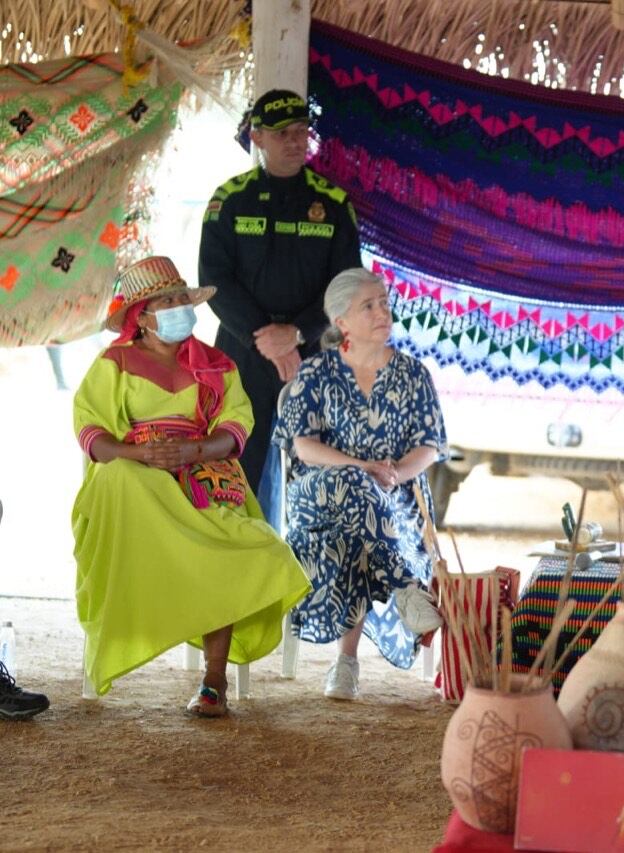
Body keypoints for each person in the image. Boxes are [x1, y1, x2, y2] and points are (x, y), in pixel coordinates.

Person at [71, 256, 311, 717]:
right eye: (168, 301)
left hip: (201, 468)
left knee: (234, 544)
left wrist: (193, 451)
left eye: (183, 298)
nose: (180, 306)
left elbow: (236, 429)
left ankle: (214, 679)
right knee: (121, 478)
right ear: (142, 317)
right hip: (133, 474)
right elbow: (92, 435)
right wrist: (143, 456)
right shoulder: (113, 363)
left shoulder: (218, 363)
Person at [273, 268, 448, 700]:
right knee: (352, 484)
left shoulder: (413, 373)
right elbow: (304, 448)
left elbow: (429, 447)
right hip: (320, 494)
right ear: (341, 321)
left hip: (393, 500)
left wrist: (394, 474)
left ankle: (345, 665)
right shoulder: (315, 372)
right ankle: (406, 586)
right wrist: (363, 467)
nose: (382, 312)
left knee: (356, 530)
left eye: (384, 303)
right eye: (368, 306)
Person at [198, 88, 362, 497]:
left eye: (300, 131)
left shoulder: (333, 203)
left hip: (314, 353)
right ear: (257, 137)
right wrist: (266, 338)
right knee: (237, 473)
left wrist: (297, 333)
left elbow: (346, 284)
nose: (293, 141)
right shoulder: (230, 200)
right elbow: (214, 280)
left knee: (319, 477)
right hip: (243, 352)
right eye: (281, 133)